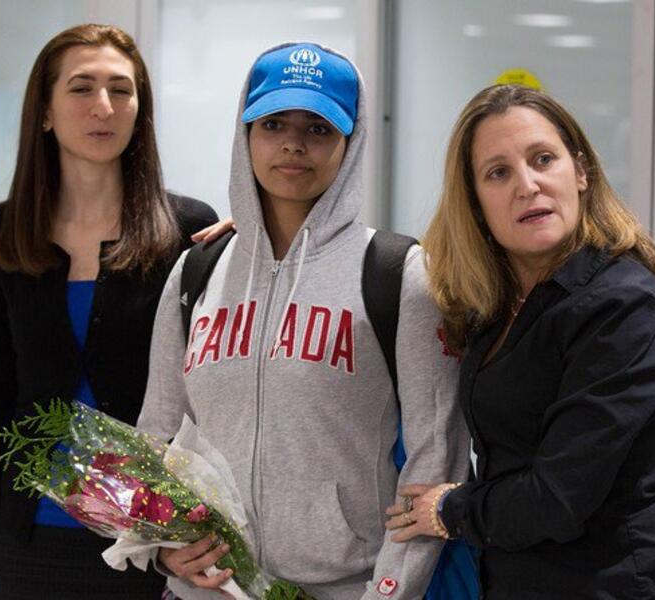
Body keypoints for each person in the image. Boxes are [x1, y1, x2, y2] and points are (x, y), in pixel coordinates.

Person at [132, 42, 471, 599]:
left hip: (342, 588)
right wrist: (161, 548)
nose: (292, 142)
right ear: (246, 136)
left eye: (317, 128)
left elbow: (436, 459)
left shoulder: (397, 275)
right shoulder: (196, 273)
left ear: (350, 141)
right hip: (206, 591)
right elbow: (158, 432)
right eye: (272, 123)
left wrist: (388, 593)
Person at [385, 84, 655, 599]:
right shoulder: (494, 301)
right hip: (521, 580)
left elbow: (558, 497)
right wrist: (257, 239)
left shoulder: (622, 305)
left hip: (619, 586)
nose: (528, 185)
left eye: (543, 159)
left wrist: (449, 510)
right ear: (475, 202)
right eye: (499, 173)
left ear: (579, 172)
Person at [0, 24, 219, 600]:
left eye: (121, 90)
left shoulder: (187, 230)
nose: (104, 107)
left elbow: (211, 392)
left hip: (152, 538)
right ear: (45, 113)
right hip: (34, 533)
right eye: (82, 88)